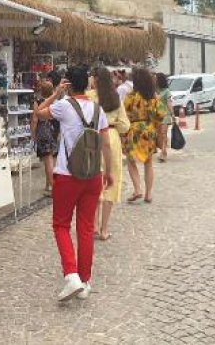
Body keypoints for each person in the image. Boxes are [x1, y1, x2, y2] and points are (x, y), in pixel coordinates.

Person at [35, 65, 114, 302]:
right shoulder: (99, 110)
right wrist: (108, 172)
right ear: (88, 84)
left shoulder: (63, 106)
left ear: (68, 83)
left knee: (61, 225)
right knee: (86, 228)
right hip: (93, 174)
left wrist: (56, 93)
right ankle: (85, 280)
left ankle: (71, 276)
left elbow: (38, 113)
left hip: (67, 175)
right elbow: (106, 144)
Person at [87, 67, 129, 241]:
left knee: (95, 180)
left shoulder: (89, 97)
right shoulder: (115, 99)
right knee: (111, 181)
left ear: (96, 80)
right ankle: (104, 229)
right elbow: (125, 125)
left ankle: (94, 225)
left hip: (93, 138)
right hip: (112, 137)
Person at [124, 68, 167, 204]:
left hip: (134, 129)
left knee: (131, 160)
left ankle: (137, 189)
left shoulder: (130, 97)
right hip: (149, 130)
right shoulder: (154, 98)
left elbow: (125, 115)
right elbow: (161, 115)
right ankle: (148, 194)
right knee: (148, 163)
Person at [32, 80, 60, 192]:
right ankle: (48, 184)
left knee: (47, 160)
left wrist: (33, 134)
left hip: (43, 131)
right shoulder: (56, 102)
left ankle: (53, 187)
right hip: (54, 131)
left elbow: (35, 119)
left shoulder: (38, 102)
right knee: (52, 159)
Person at [155, 72, 173, 163]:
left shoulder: (166, 91)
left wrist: (172, 114)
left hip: (165, 114)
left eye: (156, 79)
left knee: (163, 133)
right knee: (159, 134)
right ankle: (163, 149)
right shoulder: (155, 90)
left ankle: (163, 152)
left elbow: (169, 103)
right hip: (156, 115)